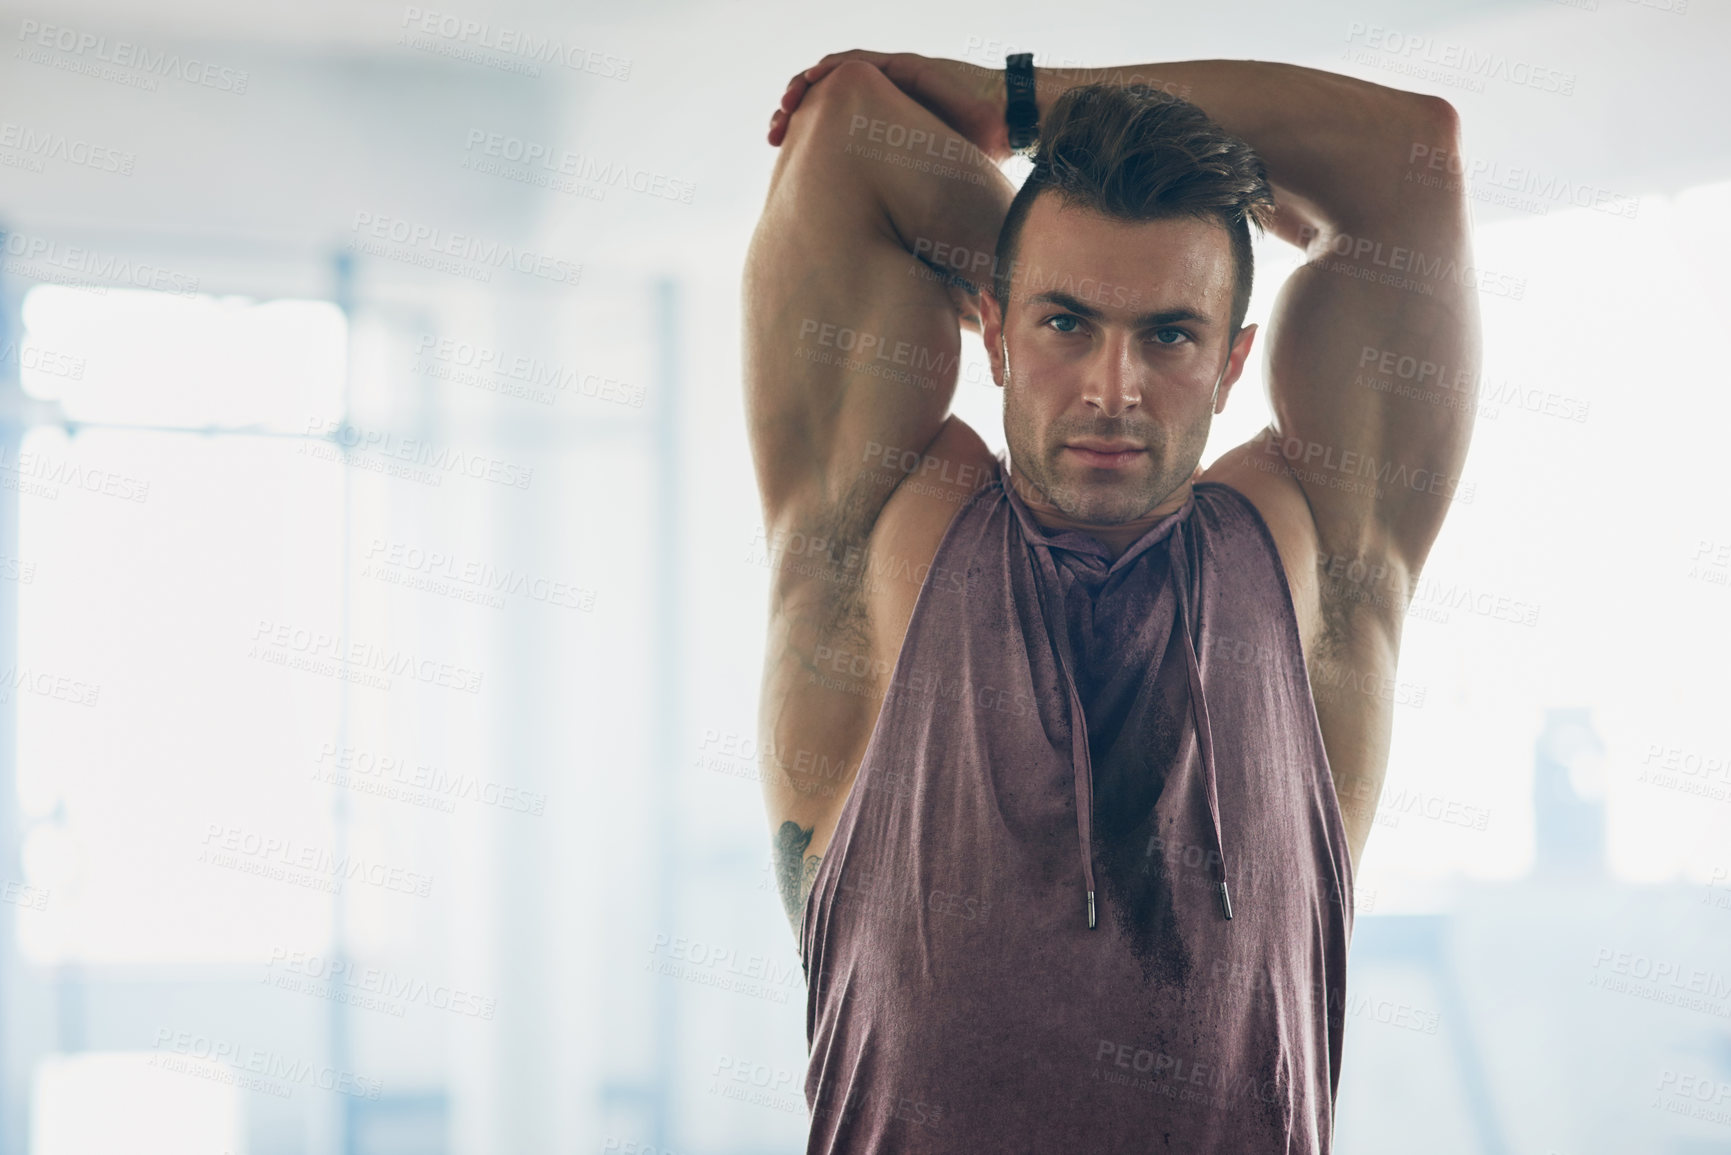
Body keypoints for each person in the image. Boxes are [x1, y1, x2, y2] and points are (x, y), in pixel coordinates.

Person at [742, 48, 1478, 1152]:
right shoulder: (883, 539)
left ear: (1234, 364)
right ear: (991, 329)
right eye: (1065, 323)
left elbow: (1411, 164)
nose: (1112, 390)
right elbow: (849, 132)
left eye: (1169, 335)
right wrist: (1040, 181)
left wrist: (1016, 105)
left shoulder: (1311, 559)